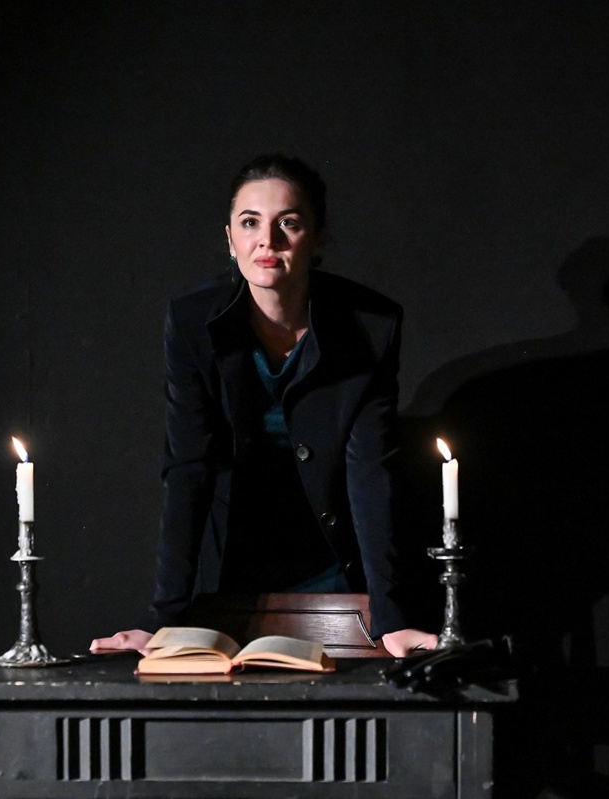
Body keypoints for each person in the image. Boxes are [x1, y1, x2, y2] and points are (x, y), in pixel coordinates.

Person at [90, 153, 436, 657]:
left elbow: (370, 469)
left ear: (318, 239)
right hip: (232, 564)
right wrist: (161, 615)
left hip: (333, 563)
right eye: (250, 222)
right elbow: (189, 466)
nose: (266, 241)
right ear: (230, 239)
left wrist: (391, 617)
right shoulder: (192, 321)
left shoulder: (371, 326)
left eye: (288, 223)